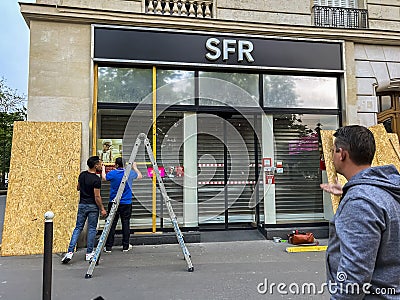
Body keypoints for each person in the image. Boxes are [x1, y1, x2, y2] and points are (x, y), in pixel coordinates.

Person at [321, 125, 400, 299]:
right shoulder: (386, 188)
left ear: (342, 154)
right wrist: (348, 191)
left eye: (334, 151)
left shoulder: (360, 202)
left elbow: (355, 274)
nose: (332, 156)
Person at [62, 156, 107, 263]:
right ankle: (89, 253)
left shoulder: (82, 175)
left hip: (82, 204)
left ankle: (69, 252)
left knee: (78, 228)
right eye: (100, 164)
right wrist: (102, 208)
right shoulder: (96, 179)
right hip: (92, 206)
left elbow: (78, 187)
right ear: (96, 165)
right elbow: (97, 196)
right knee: (91, 229)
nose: (102, 165)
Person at [101, 157, 142, 252]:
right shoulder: (129, 173)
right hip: (126, 203)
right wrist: (134, 167)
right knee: (126, 223)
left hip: (114, 202)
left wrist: (103, 168)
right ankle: (125, 246)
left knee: (111, 224)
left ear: (116, 165)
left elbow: (104, 178)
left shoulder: (113, 173)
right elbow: (140, 176)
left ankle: (108, 247)